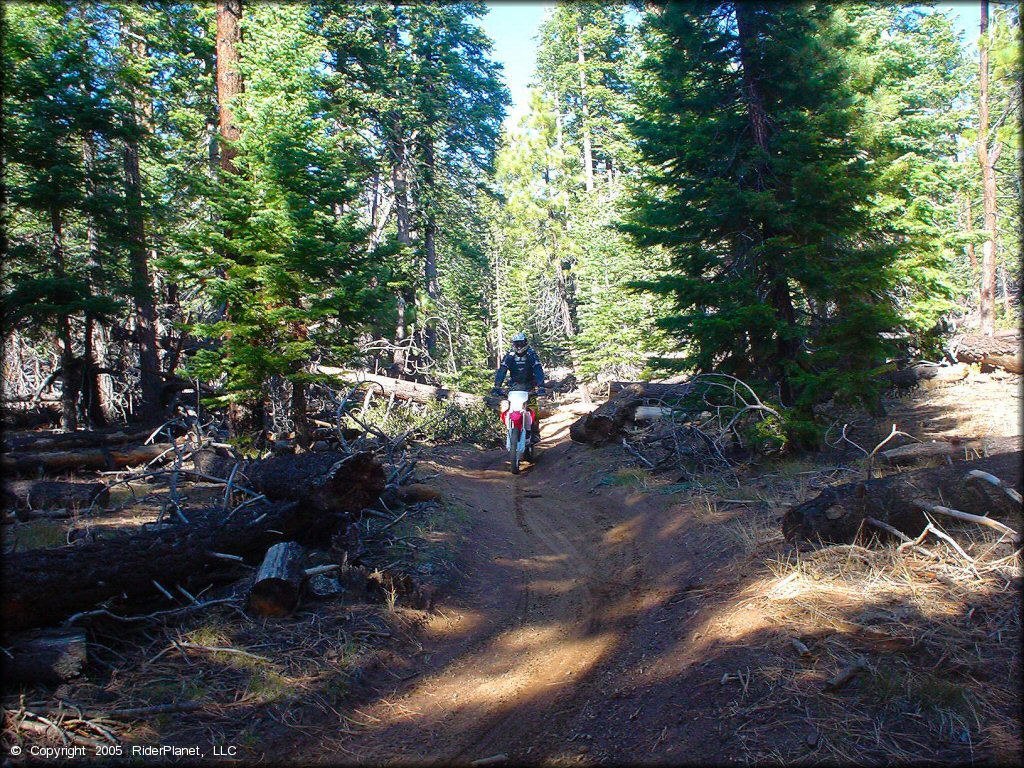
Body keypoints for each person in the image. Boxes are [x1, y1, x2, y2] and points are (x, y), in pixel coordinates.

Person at [492, 332, 546, 444]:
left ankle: (535, 432)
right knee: (509, 409)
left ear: (525, 343)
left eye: (521, 343)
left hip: (529, 387)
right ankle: (509, 430)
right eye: (517, 344)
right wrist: (497, 385)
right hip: (515, 387)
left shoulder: (531, 354)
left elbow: (538, 369)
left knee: (533, 408)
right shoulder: (510, 356)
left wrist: (541, 386)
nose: (519, 346)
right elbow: (502, 370)